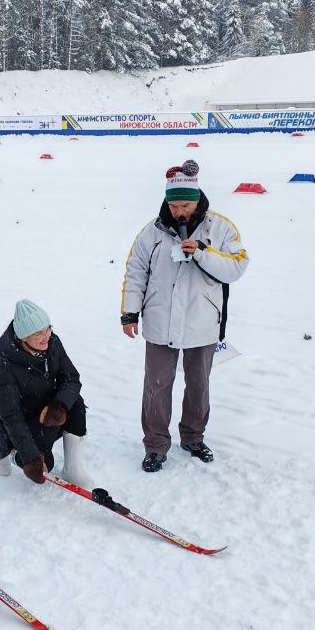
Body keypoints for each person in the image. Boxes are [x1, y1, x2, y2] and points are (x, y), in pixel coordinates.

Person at [120, 161, 249, 473]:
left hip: (202, 321)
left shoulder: (221, 228)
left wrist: (202, 252)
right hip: (160, 321)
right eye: (174, 205)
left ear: (197, 200)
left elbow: (237, 266)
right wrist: (129, 312)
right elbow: (136, 271)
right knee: (156, 387)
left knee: (198, 385)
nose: (180, 211)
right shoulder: (151, 232)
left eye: (186, 206)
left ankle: (193, 437)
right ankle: (155, 445)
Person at [0, 300, 95, 489]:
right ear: (23, 337)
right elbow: (11, 415)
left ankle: (73, 468)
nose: (46, 336)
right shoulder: (4, 365)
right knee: (43, 464)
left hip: (45, 407)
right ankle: (2, 445)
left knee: (75, 403)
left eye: (48, 329)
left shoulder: (53, 343)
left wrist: (59, 405)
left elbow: (71, 378)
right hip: (18, 419)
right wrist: (30, 458)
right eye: (38, 333)